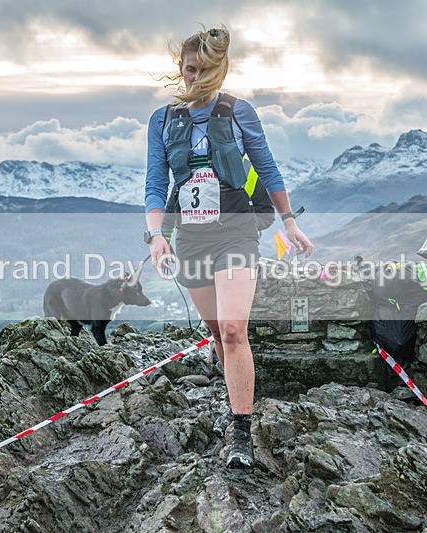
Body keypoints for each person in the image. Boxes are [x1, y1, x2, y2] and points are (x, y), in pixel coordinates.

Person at [144, 25, 313, 468]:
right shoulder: (162, 121)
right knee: (217, 332)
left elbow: (268, 168)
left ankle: (242, 431)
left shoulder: (239, 112)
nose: (193, 78)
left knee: (235, 329)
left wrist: (289, 223)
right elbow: (155, 183)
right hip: (191, 237)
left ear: (218, 71)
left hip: (237, 231)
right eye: (187, 70)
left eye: (202, 70)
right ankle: (230, 397)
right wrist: (157, 235)